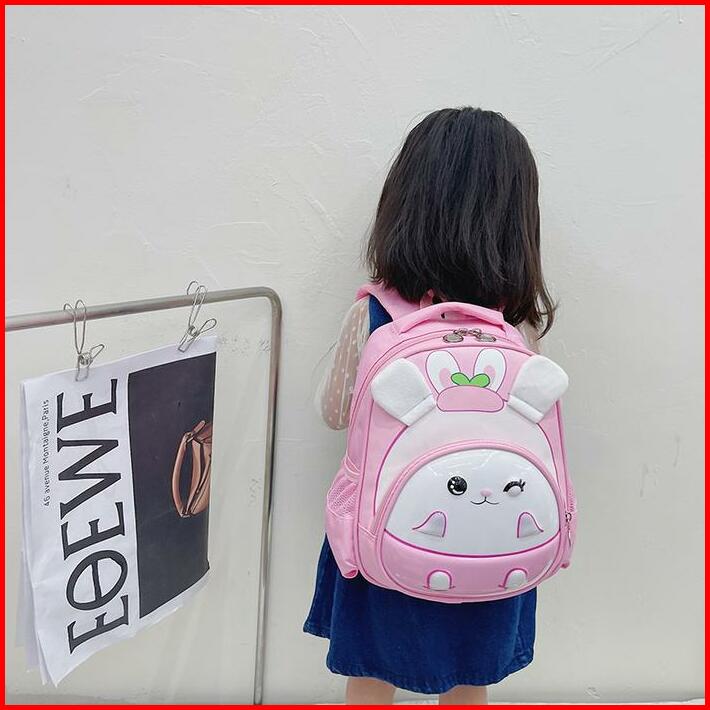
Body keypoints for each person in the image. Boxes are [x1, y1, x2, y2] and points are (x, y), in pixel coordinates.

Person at [304, 107, 556, 705]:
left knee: (370, 675)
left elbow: (335, 413)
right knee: (472, 679)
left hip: (388, 529)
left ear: (406, 205)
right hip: (495, 537)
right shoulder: (515, 329)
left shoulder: (375, 313)